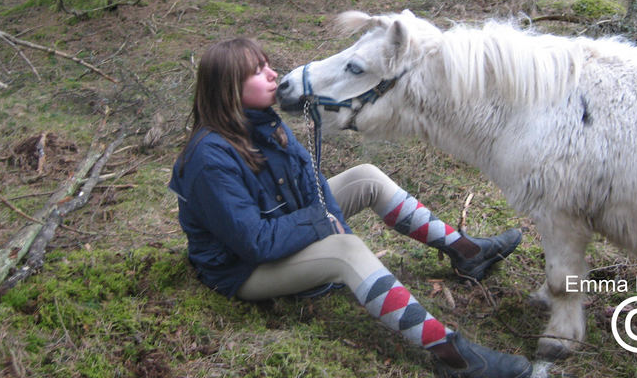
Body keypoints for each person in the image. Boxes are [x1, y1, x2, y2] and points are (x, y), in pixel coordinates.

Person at [169, 38, 532, 378]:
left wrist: (329, 222)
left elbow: (312, 185)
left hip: (283, 225)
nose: (273, 74)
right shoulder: (209, 160)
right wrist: (327, 229)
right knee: (346, 251)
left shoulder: (262, 123)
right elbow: (256, 244)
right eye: (257, 70)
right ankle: (452, 354)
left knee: (365, 177)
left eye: (267, 64)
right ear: (229, 88)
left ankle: (466, 253)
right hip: (244, 269)